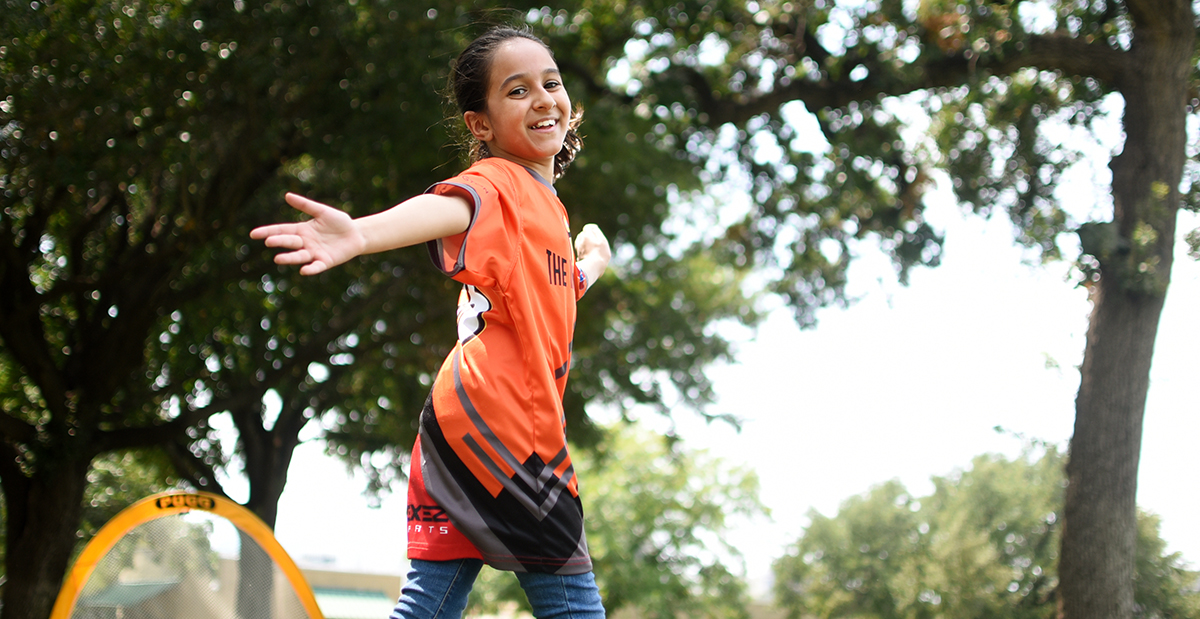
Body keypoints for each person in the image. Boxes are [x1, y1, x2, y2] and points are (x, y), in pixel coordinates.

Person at [250, 25, 612, 619]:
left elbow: (549, 296)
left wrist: (591, 262)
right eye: (517, 91)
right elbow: (451, 207)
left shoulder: (542, 208)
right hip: (507, 429)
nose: (544, 98)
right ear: (481, 125)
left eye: (551, 82)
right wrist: (362, 233)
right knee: (574, 607)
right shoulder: (500, 184)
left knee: (431, 605)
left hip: (455, 424)